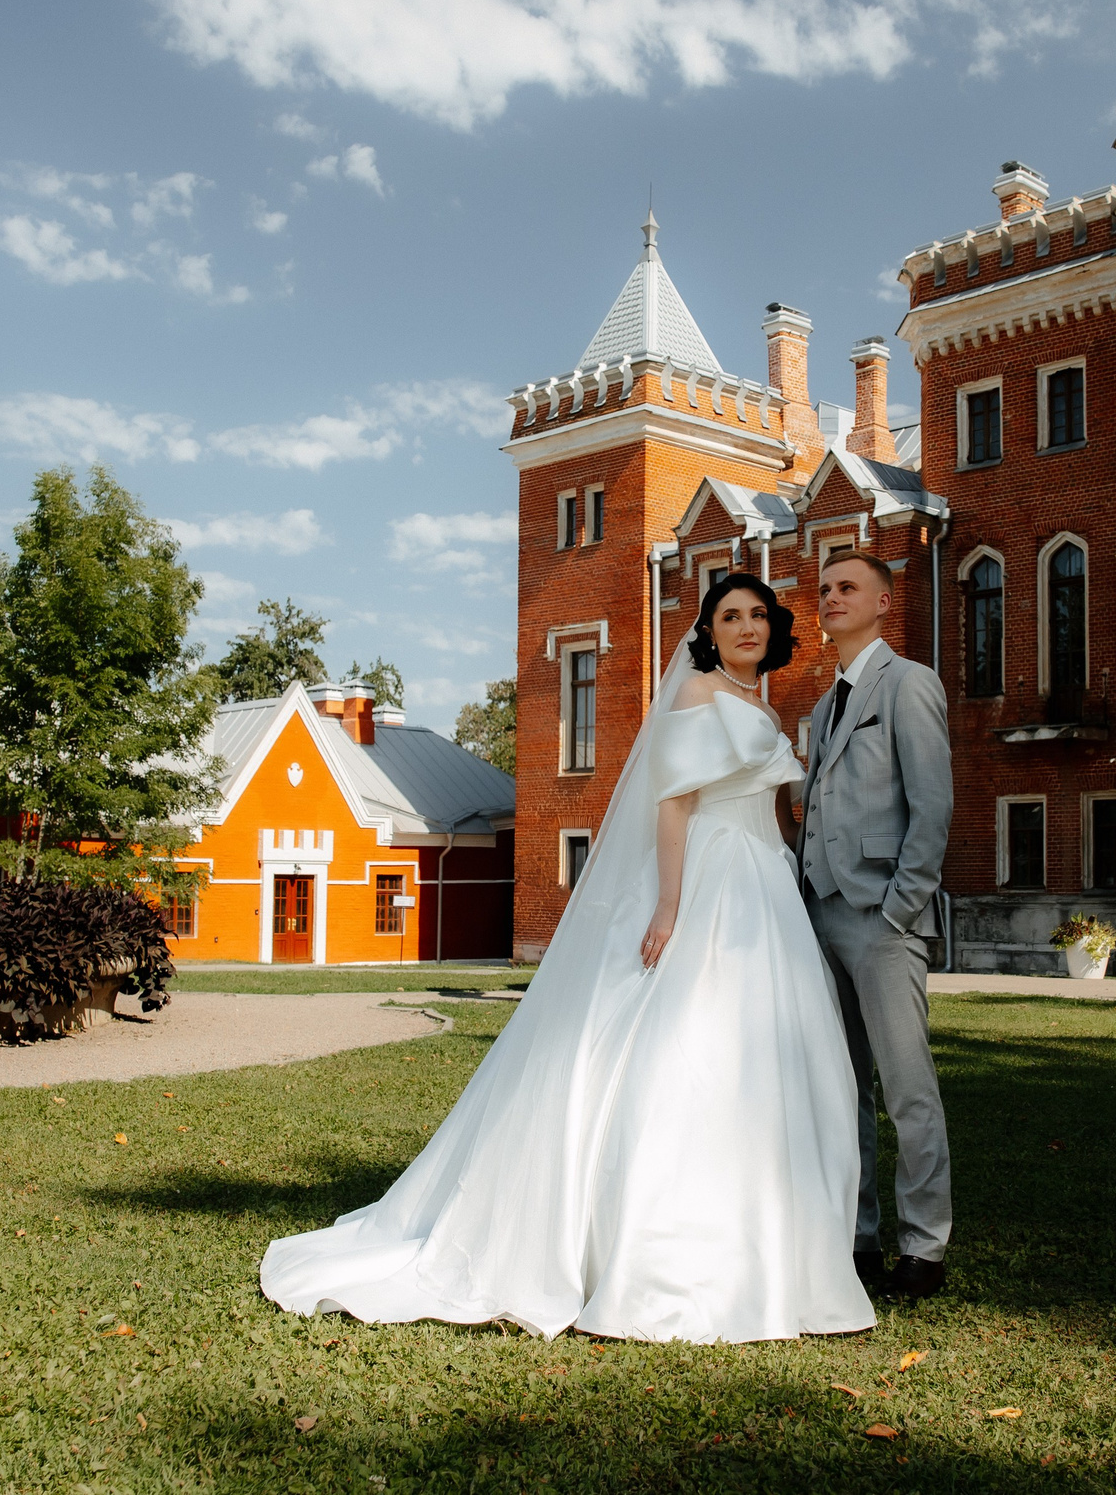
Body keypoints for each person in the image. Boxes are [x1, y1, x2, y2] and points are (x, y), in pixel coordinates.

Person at [259, 574, 873, 1343]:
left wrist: (796, 875)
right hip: (709, 878)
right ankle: (660, 1261)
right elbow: (675, 805)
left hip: (765, 891)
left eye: (756, 614)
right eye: (728, 616)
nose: (746, 626)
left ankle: (777, 1251)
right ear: (707, 632)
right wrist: (672, 905)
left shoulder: (765, 705)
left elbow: (778, 813)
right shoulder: (696, 697)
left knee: (773, 1059)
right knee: (685, 1047)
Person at [796, 551, 956, 1299]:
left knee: (907, 1090)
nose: (830, 598)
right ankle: (858, 1239)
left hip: (882, 921)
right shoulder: (824, 705)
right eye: (824, 588)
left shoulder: (909, 684)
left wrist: (899, 910)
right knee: (841, 1089)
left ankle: (924, 1247)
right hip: (821, 919)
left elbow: (933, 809)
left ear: (885, 602)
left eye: (846, 587)